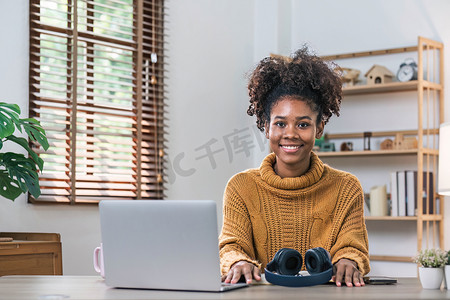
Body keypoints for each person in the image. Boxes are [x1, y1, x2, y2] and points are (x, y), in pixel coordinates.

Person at [219, 47, 370, 288]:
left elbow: (352, 246)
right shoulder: (241, 187)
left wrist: (349, 261)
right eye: (280, 123)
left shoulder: (347, 188)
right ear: (266, 127)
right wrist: (237, 262)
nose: (290, 134)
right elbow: (232, 245)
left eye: (302, 124)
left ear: (319, 129)